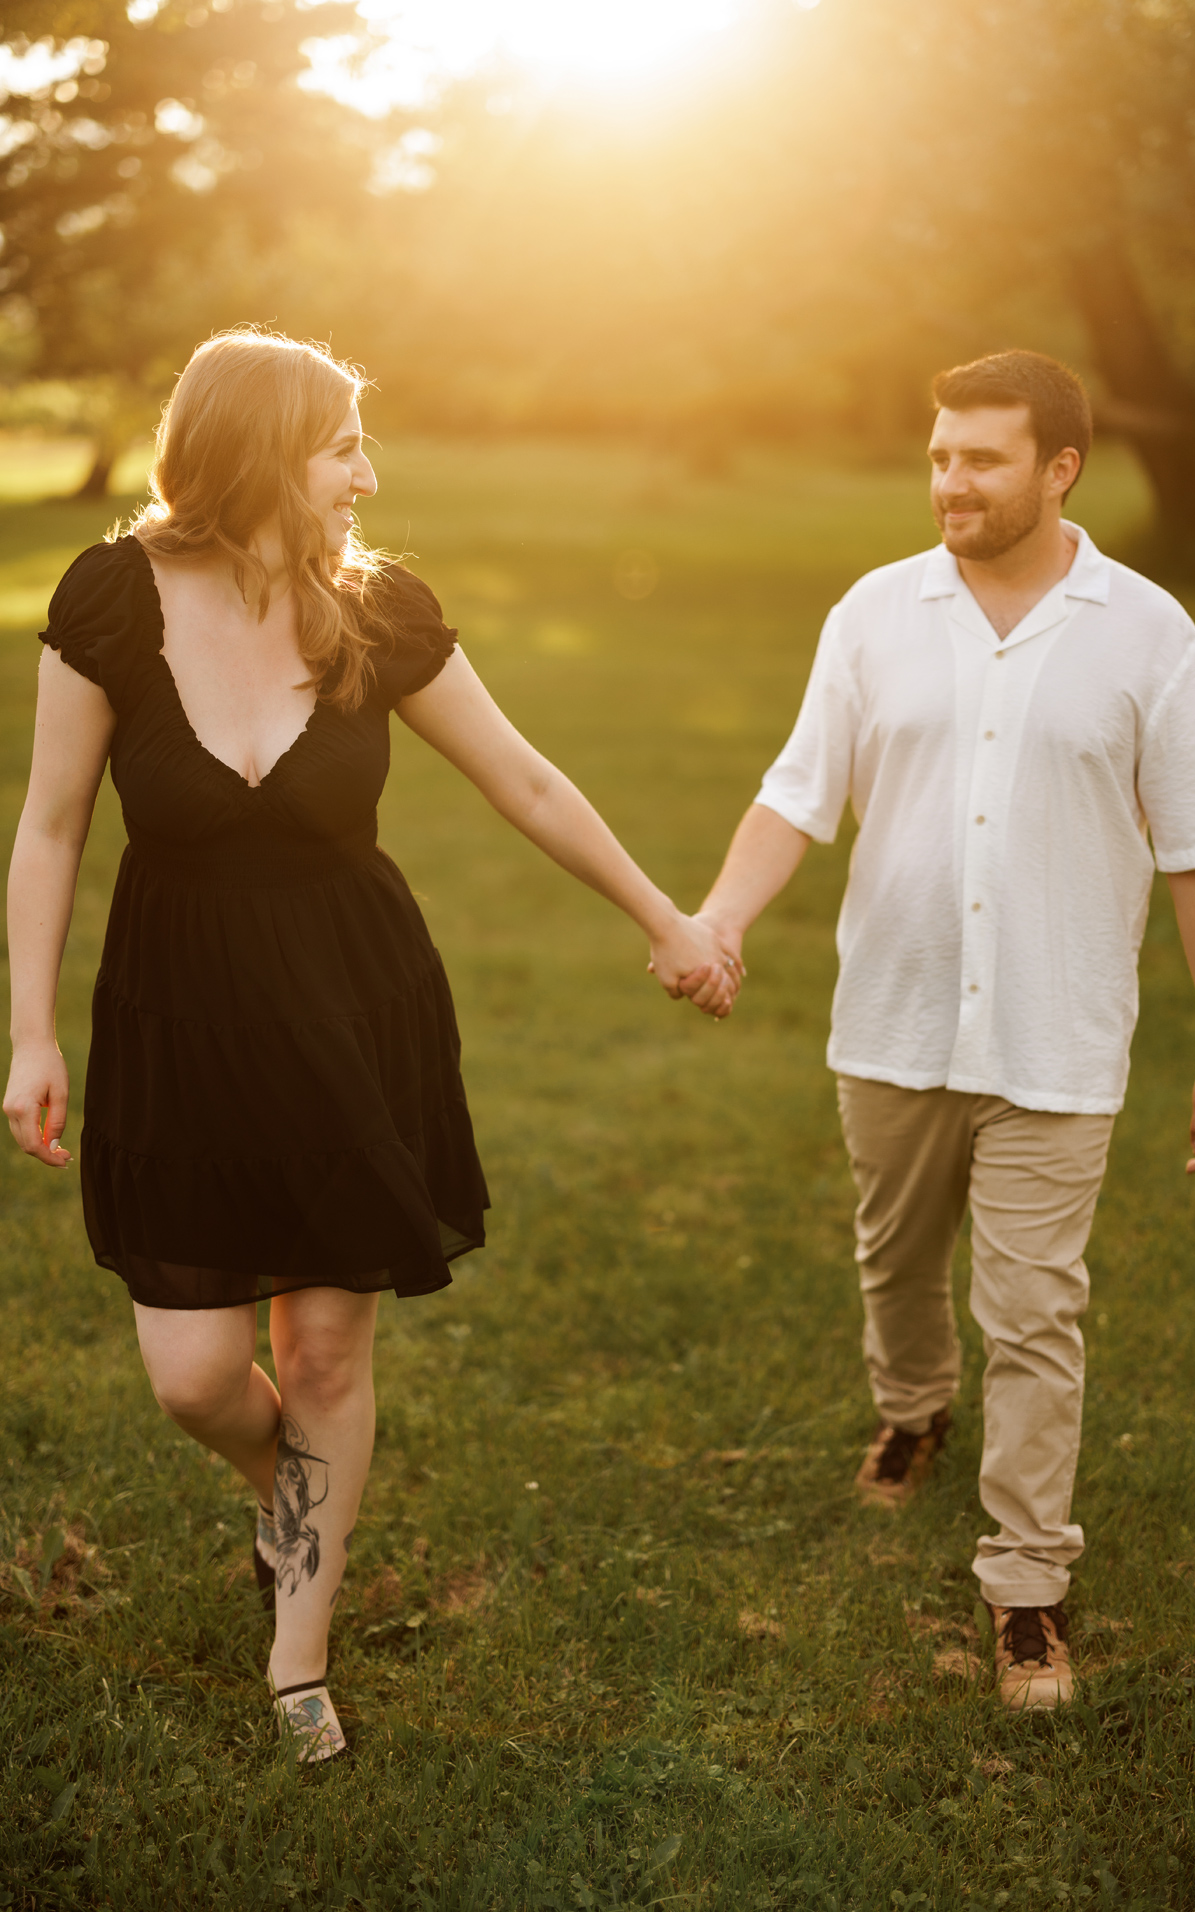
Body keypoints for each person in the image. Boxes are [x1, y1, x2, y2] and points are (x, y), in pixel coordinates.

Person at [2, 328, 734, 1762]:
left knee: (328, 1353)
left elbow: (522, 775)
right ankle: (299, 1505)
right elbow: (49, 825)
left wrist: (668, 918)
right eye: (343, 444)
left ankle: (298, 1657)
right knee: (196, 1376)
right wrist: (29, 1027)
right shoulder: (107, 599)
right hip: (180, 1025)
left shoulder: (376, 611)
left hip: (355, 1012)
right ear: (263, 451)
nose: (367, 473)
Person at [691, 349, 1195, 1710]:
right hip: (888, 1020)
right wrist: (721, 918)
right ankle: (910, 1407)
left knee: (1035, 1311)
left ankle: (1027, 1588)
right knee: (894, 1259)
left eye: (983, 458)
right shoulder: (875, 615)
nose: (952, 480)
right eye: (941, 455)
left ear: (1060, 468)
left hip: (1056, 1040)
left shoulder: (1150, 634)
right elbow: (795, 793)